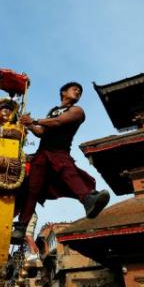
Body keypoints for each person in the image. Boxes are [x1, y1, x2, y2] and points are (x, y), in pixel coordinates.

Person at [15, 82, 110, 239]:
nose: (78, 92)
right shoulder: (53, 111)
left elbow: (58, 122)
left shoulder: (77, 111)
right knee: (32, 189)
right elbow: (41, 133)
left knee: (69, 174)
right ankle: (21, 228)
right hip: (42, 154)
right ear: (63, 92)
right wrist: (29, 125)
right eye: (75, 89)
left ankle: (88, 200)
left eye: (80, 91)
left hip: (60, 152)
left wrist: (34, 120)